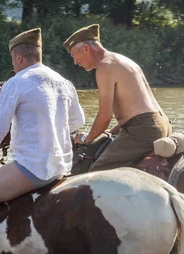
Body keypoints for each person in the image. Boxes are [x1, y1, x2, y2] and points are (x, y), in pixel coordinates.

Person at [0, 28, 85, 254]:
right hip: (62, 167)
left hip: (32, 168)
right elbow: (78, 121)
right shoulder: (63, 81)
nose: (13, 64)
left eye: (13, 60)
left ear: (18, 58)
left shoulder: (17, 83)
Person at [64, 24, 172, 171]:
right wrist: (110, 132)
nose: (75, 62)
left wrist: (86, 140)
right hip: (160, 123)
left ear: (86, 49)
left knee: (95, 174)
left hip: (144, 129)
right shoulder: (122, 60)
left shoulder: (104, 67)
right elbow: (135, 112)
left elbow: (104, 117)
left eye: (74, 55)